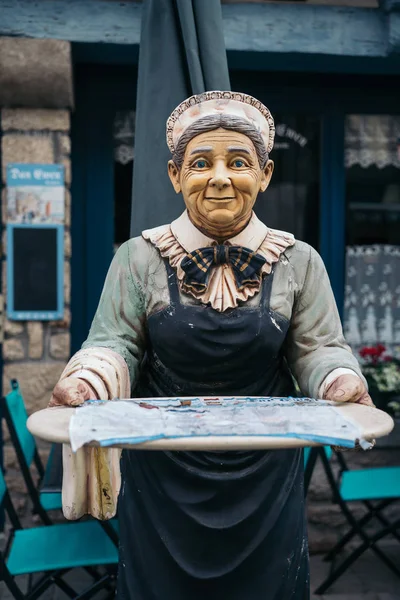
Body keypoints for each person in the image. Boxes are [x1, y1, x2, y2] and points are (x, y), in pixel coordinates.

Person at [50, 91, 372, 600]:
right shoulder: (138, 258)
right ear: (176, 176)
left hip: (265, 467)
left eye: (238, 162)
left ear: (264, 175)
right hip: (163, 468)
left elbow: (318, 348)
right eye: (201, 163)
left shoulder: (300, 261)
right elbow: (115, 342)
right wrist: (90, 377)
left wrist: (341, 380)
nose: (220, 177)